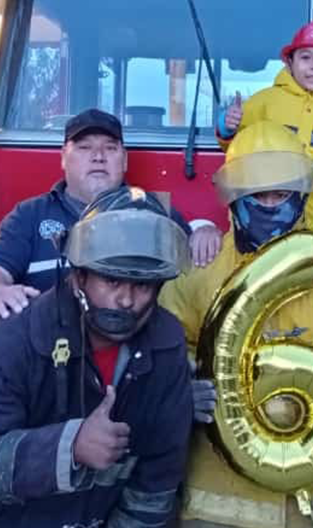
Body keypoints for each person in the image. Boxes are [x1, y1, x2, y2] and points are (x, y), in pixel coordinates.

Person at [159, 121, 313, 528]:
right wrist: (186, 386)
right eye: (258, 195)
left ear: (301, 197)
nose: (271, 205)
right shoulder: (198, 272)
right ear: (234, 199)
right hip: (221, 510)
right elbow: (163, 349)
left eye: (281, 195)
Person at [0, 185, 194, 527]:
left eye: (142, 285)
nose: (125, 299)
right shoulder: (17, 339)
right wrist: (69, 447)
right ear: (79, 275)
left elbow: (155, 485)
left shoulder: (168, 346)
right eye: (111, 279)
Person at [0, 108, 221, 318]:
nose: (98, 156)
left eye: (110, 148)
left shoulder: (155, 212)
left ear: (124, 160)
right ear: (63, 157)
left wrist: (206, 233)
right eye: (84, 147)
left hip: (135, 347)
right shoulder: (29, 215)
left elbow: (193, 275)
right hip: (47, 347)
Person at [216, 20, 313, 252]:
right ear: (289, 62)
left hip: (311, 233)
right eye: (306, 57)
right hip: (257, 227)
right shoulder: (263, 102)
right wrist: (226, 127)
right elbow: (235, 152)